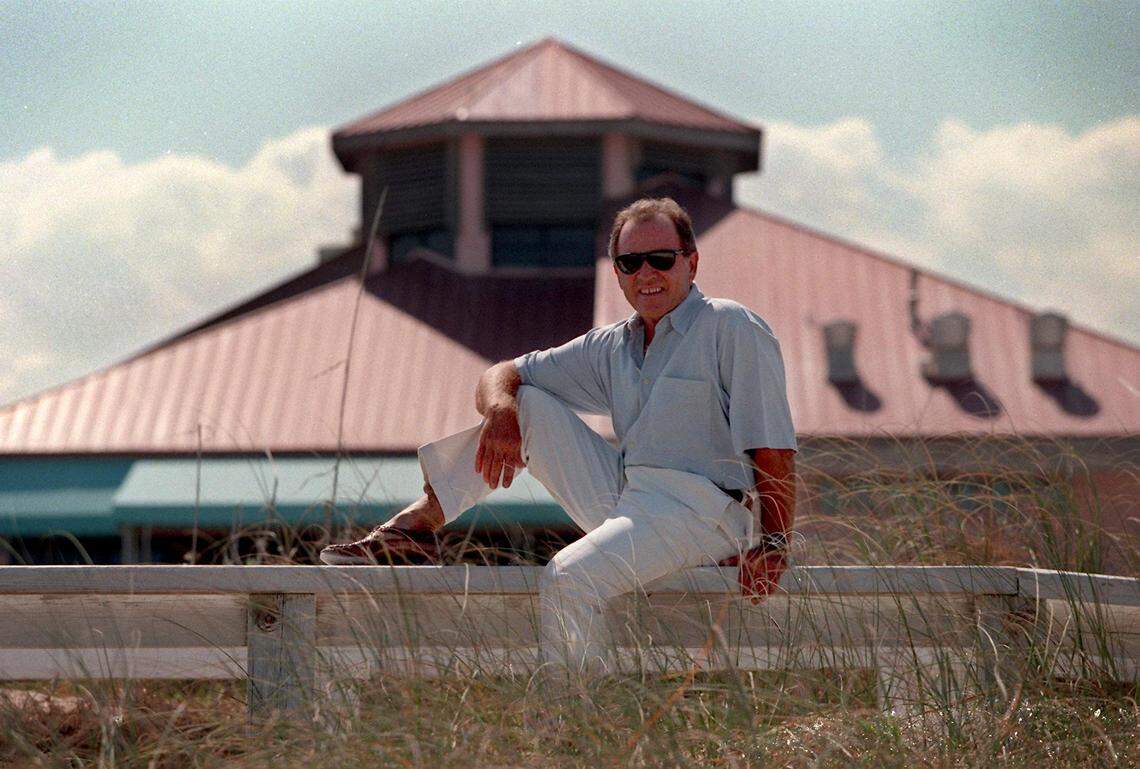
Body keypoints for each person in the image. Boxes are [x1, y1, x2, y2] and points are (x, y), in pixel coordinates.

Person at [320, 197, 797, 684]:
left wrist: (775, 543)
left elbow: (773, 446)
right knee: (525, 402)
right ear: (618, 273)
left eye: (662, 258)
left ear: (691, 261)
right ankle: (413, 531)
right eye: (631, 262)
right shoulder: (612, 344)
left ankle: (574, 729)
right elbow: (500, 373)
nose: (646, 272)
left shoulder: (731, 326)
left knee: (568, 577)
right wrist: (502, 410)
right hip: (632, 501)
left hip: (706, 512)